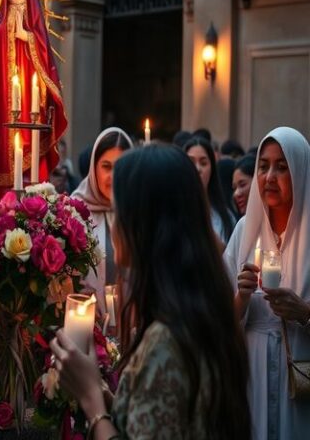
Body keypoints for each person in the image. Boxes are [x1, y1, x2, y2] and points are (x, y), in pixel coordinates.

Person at [52, 144, 251, 439]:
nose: (113, 225)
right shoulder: (197, 310)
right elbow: (157, 418)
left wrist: (91, 399)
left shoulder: (166, 339)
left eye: (119, 211)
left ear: (145, 225)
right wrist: (102, 391)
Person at [224, 127, 310, 439]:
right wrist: (241, 298)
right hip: (253, 373)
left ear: (300, 171)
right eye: (263, 166)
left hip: (299, 375)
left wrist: (304, 312)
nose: (270, 177)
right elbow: (218, 318)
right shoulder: (245, 231)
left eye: (281, 167)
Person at [0, 0, 67, 192]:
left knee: (28, 135)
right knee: (1, 140)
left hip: (28, 88)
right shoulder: (2, 12)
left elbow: (43, 47)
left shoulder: (33, 9)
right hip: (3, 89)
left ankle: (30, 194)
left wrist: (26, 36)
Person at [72, 128, 132, 312]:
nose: (113, 176)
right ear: (93, 168)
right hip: (88, 320)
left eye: (120, 167)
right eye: (106, 167)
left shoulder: (139, 210)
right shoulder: (74, 211)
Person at [185, 137, 236, 245]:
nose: (197, 169)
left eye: (203, 163)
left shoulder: (225, 217)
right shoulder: (172, 213)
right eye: (191, 162)